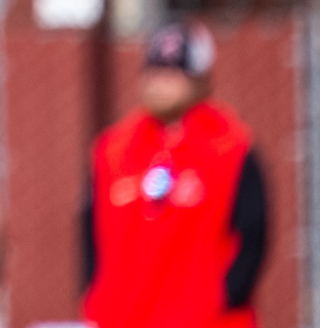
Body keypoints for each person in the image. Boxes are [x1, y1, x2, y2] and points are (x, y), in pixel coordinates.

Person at [83, 21, 267, 328]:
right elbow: (90, 235)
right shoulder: (113, 150)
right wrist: (96, 299)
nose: (161, 82)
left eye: (174, 72)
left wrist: (223, 298)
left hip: (205, 321)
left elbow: (253, 237)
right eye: (156, 70)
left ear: (200, 80)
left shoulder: (230, 148)